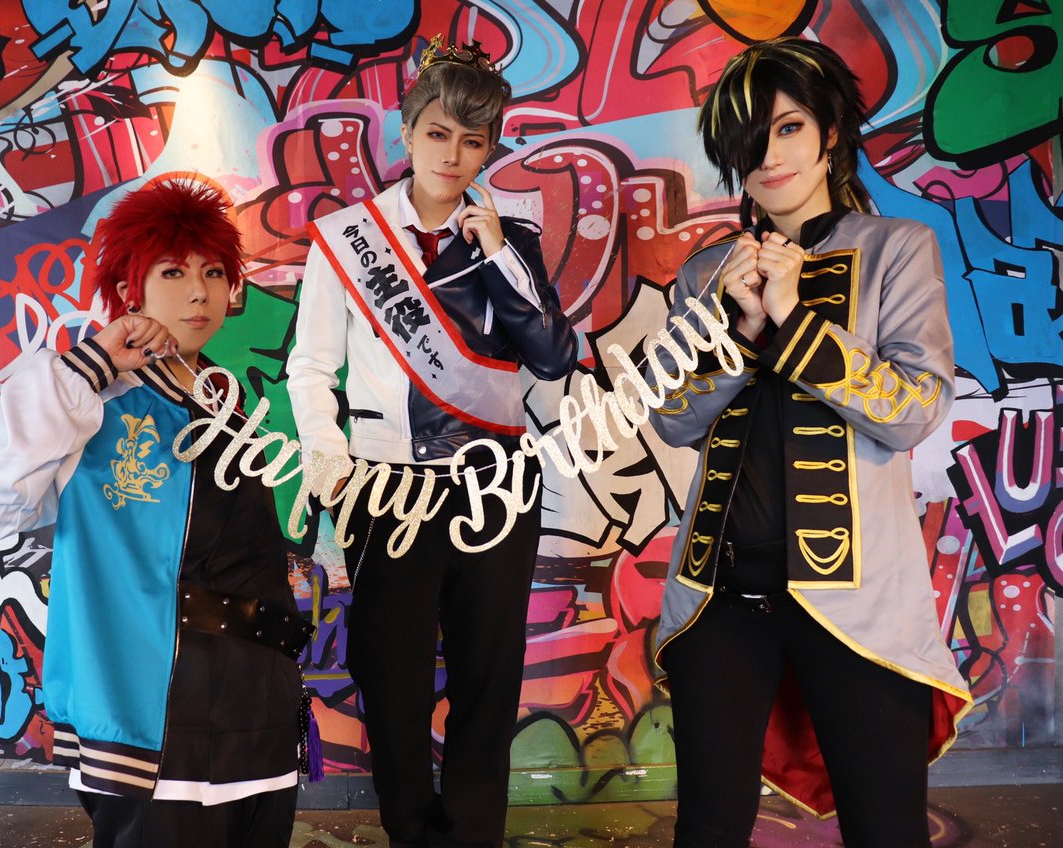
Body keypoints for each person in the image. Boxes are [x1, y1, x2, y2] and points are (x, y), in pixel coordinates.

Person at [648, 38, 972, 848]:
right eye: (749, 139)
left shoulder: (897, 249)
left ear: (829, 132)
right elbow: (672, 418)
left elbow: (913, 409)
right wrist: (738, 328)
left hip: (859, 602)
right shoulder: (706, 275)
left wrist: (795, 320)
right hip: (720, 597)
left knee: (886, 827)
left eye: (788, 127)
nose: (769, 155)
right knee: (708, 828)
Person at [0, 179, 312, 848]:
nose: (198, 293)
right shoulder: (89, 399)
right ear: (127, 290)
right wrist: (92, 362)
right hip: (150, 718)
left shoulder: (233, 402)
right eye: (173, 272)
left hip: (256, 705)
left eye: (213, 272)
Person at [286, 34, 577, 848]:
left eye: (473, 141)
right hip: (387, 488)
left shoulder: (511, 237)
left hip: (497, 485)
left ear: (490, 148)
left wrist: (496, 254)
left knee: (489, 672)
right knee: (392, 676)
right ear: (407, 133)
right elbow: (311, 366)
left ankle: (474, 835)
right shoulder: (348, 236)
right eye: (439, 133)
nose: (453, 155)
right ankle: (411, 833)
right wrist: (327, 458)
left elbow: (552, 355)